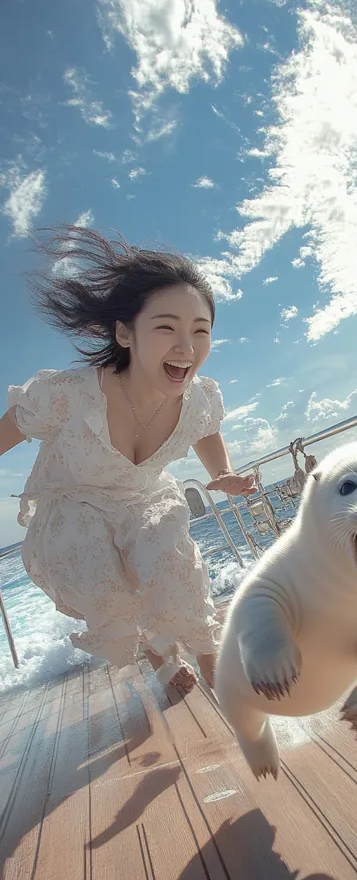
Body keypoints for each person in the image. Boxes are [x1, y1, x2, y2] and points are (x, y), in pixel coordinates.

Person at [0, 226, 256, 692]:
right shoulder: (66, 395)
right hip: (73, 507)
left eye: (200, 331)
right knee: (110, 592)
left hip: (143, 498)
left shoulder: (198, 398)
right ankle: (159, 653)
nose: (187, 346)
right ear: (124, 332)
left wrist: (223, 473)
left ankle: (209, 653)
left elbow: (207, 431)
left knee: (173, 568)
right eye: (166, 327)